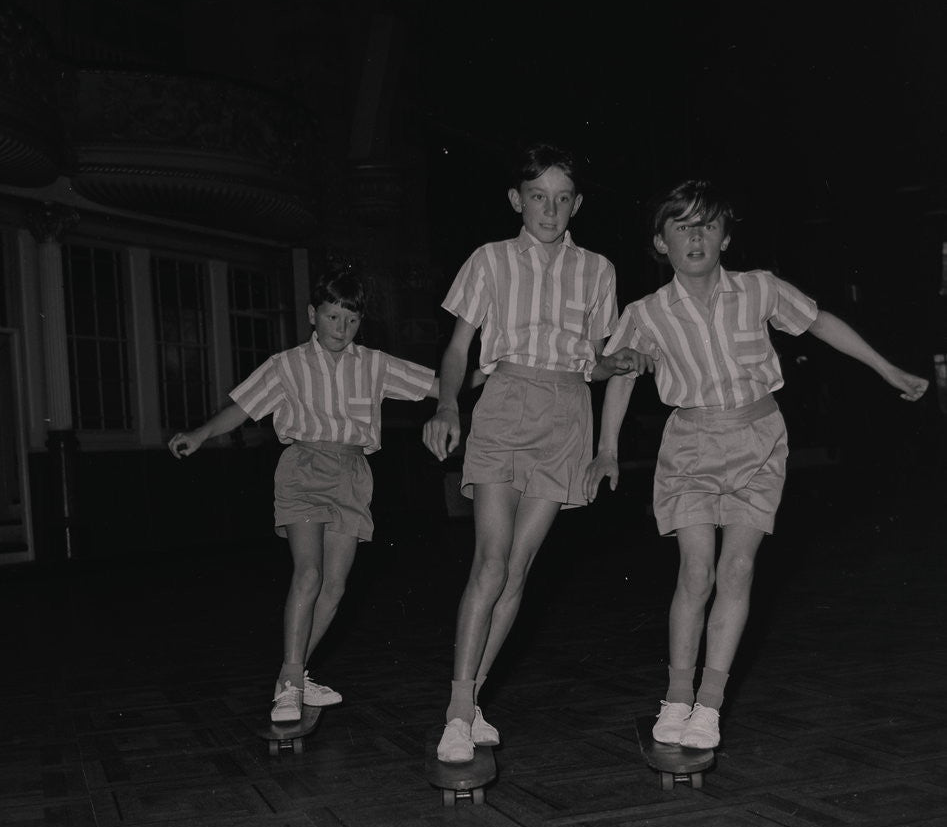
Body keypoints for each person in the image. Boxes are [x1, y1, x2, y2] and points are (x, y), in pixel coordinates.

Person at [584, 179, 930, 750]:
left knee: (738, 570)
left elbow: (819, 322)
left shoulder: (759, 289)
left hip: (759, 439)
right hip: (691, 444)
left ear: (724, 238)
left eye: (709, 225)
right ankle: (675, 696)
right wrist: (606, 450)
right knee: (697, 572)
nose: (696, 236)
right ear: (659, 242)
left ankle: (710, 706)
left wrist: (885, 368)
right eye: (682, 226)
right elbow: (619, 375)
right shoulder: (645, 312)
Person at [423, 141, 649, 764]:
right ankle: (457, 710)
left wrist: (619, 362)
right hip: (504, 404)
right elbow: (457, 349)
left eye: (561, 198)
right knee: (490, 564)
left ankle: (472, 703)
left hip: (567, 416)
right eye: (537, 197)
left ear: (576, 205)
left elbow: (595, 361)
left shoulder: (598, 270)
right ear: (515, 200)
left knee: (519, 570)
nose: (549, 209)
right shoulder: (489, 261)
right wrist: (447, 405)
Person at [169, 271, 438, 723]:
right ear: (313, 315)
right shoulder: (286, 365)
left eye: (351, 321)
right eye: (332, 317)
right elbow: (243, 407)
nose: (341, 329)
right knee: (309, 574)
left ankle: (289, 679)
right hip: (304, 469)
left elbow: (437, 386)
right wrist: (200, 434)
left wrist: (499, 370)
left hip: (353, 473)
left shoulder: (374, 364)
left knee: (335, 586)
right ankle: (293, 683)